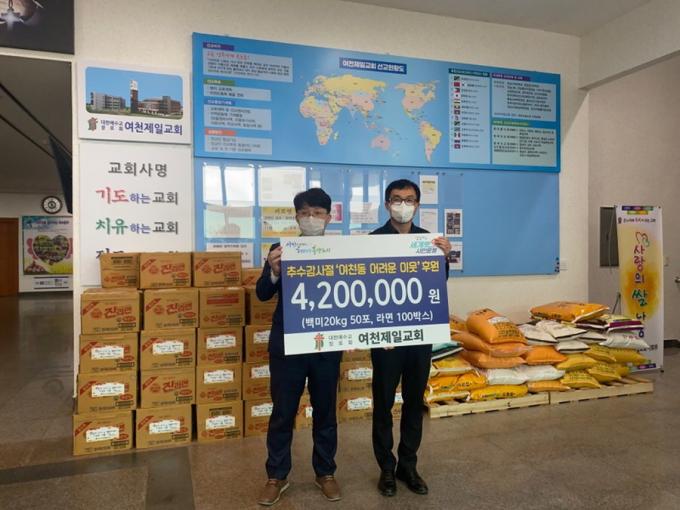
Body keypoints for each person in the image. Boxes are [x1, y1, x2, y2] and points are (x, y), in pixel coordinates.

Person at [256, 188, 343, 506]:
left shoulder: (342, 252)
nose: (311, 218)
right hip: (287, 345)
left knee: (325, 412)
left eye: (318, 213)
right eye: (305, 213)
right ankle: (276, 476)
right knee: (282, 413)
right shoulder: (280, 250)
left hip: (326, 345)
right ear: (296, 217)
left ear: (329, 218)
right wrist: (274, 271)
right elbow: (262, 293)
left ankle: (326, 472)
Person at [369, 179, 451, 498]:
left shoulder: (428, 241)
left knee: (414, 402)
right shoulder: (373, 241)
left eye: (409, 199)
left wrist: (445, 258)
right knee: (383, 403)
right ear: (386, 203)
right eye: (396, 199)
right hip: (387, 337)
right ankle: (386, 468)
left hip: (419, 335)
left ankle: (408, 465)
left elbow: (437, 283)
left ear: (417, 205)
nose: (402, 205)